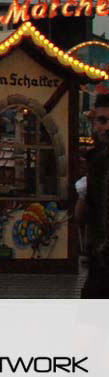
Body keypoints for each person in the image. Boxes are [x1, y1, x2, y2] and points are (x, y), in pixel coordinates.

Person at [81, 93, 109, 297]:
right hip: (99, 259)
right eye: (102, 120)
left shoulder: (99, 160)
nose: (106, 127)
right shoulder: (97, 160)